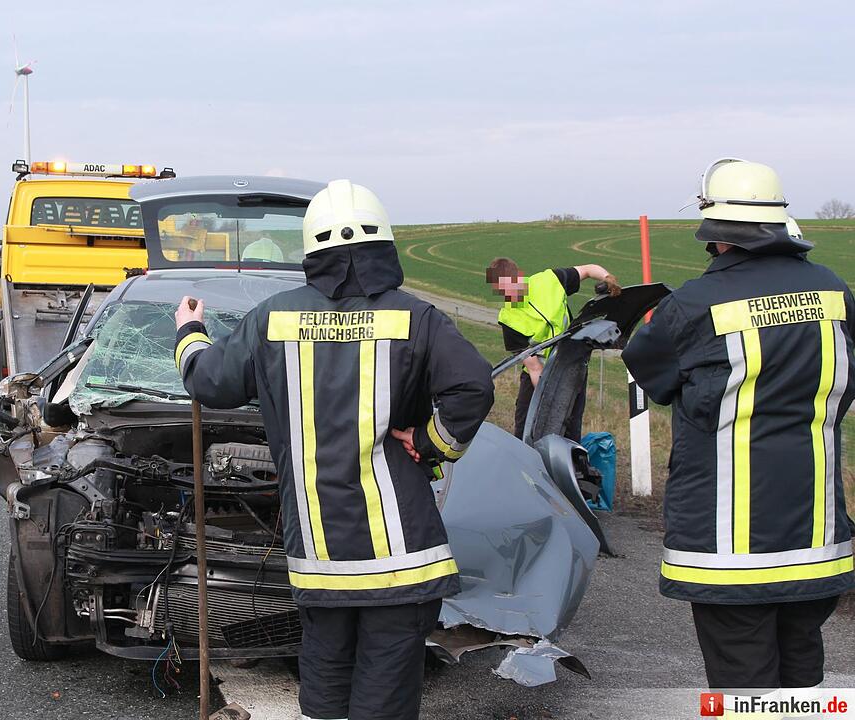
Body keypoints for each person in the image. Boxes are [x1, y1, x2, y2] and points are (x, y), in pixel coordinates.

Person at [173, 179, 493, 720]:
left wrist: (191, 331)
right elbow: (473, 387)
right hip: (401, 563)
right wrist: (431, 443)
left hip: (320, 562)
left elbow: (209, 381)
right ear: (384, 244)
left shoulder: (273, 318)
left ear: (311, 249)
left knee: (325, 691)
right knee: (384, 699)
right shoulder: (415, 317)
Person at [623, 158, 855, 698]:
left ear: (715, 232)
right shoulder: (834, 292)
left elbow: (650, 372)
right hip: (815, 539)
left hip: (731, 550)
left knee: (744, 688)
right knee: (801, 678)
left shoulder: (693, 304)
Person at [488, 257, 620, 440]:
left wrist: (607, 278)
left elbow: (588, 269)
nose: (508, 294)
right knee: (526, 432)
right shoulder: (509, 319)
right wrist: (549, 400)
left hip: (572, 367)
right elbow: (534, 368)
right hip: (537, 379)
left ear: (519, 276)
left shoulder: (549, 280)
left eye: (511, 285)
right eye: (503, 290)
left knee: (570, 430)